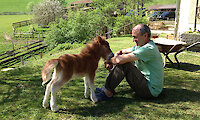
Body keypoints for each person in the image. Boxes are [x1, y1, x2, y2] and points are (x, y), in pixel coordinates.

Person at [95, 24, 164, 101]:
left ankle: (107, 92)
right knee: (122, 59)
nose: (133, 40)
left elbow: (119, 60)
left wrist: (109, 61)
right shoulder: (142, 46)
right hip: (146, 84)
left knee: (125, 63)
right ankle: (107, 89)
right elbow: (123, 51)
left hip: (150, 90)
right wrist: (118, 54)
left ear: (145, 35)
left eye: (135, 37)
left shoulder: (148, 49)